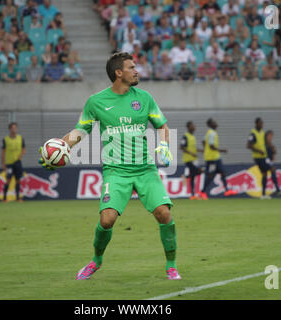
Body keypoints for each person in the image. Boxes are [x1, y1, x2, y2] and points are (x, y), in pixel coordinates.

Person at [39, 52, 181, 280]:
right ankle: (96, 261)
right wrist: (59, 149)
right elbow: (79, 131)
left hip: (145, 169)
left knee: (163, 213)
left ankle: (171, 265)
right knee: (107, 219)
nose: (137, 71)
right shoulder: (96, 102)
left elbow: (162, 125)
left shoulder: (144, 98)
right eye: (132, 67)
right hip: (116, 172)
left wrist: (164, 146)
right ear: (119, 73)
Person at [199, 118, 238, 199]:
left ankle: (227, 190)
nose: (216, 123)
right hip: (211, 158)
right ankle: (202, 192)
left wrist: (205, 149)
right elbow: (211, 146)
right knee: (210, 176)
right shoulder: (211, 133)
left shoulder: (209, 133)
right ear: (210, 124)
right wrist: (222, 150)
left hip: (216, 158)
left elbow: (203, 141)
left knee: (223, 172)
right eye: (214, 122)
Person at [247, 118, 281, 199]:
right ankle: (277, 189)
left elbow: (266, 142)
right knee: (272, 169)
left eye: (262, 123)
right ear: (256, 124)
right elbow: (248, 145)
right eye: (260, 123)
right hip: (259, 157)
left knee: (264, 174)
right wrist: (258, 150)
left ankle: (263, 194)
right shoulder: (253, 134)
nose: (262, 125)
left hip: (263, 157)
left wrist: (272, 147)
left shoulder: (262, 133)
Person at [1, 122, 26, 202]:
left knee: (18, 180)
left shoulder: (20, 138)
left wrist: (20, 156)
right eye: (12, 128)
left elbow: (24, 149)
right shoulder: (6, 139)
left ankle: (18, 198)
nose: (14, 129)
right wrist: (3, 163)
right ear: (9, 129)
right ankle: (4, 198)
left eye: (15, 128)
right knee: (8, 179)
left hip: (17, 163)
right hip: (9, 163)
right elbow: (3, 152)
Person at [180, 121, 203, 200]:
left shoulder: (193, 136)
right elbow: (182, 147)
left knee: (193, 176)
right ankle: (185, 176)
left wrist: (200, 150)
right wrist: (191, 153)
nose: (194, 127)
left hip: (194, 159)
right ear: (188, 127)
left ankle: (193, 195)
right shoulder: (185, 136)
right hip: (188, 159)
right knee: (199, 170)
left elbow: (193, 148)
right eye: (193, 126)